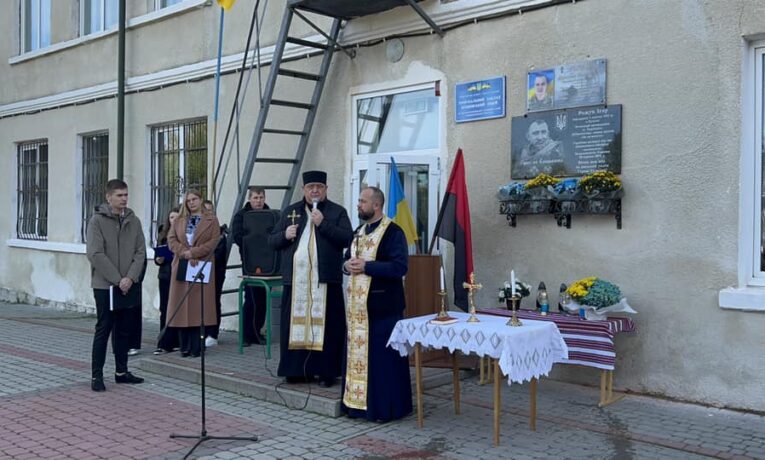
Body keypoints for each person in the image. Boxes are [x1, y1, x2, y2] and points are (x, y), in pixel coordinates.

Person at [268, 170, 353, 387]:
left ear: (325, 189)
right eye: (310, 187)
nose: (314, 190)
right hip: (295, 283)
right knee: (293, 326)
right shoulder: (290, 211)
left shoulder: (337, 211)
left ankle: (327, 372)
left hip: (325, 281)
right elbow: (272, 241)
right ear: (303, 189)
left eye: (319, 187)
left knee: (329, 328)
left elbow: (347, 239)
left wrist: (323, 223)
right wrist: (284, 235)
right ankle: (295, 370)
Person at [341, 186, 412, 422]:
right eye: (359, 201)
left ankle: (384, 409)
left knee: (383, 364)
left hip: (383, 309)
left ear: (377, 205)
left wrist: (367, 266)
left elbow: (399, 267)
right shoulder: (359, 231)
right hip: (357, 310)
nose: (359, 205)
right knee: (359, 360)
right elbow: (347, 258)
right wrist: (346, 266)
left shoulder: (393, 232)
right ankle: (356, 406)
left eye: (362, 201)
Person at [86, 179, 146, 391]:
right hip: (105, 285)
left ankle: (122, 372)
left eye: (126, 195)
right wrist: (117, 279)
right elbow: (95, 253)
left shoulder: (133, 220)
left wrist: (129, 278)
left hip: (128, 284)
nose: (124, 199)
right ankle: (96, 376)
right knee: (104, 328)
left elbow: (140, 252)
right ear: (108, 197)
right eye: (119, 195)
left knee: (124, 330)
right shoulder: (96, 221)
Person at [166, 190, 221, 357]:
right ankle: (184, 346)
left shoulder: (211, 220)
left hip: (201, 266)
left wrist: (195, 252)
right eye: (188, 200)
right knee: (182, 306)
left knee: (198, 307)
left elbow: (214, 241)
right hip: (182, 264)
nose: (191, 203)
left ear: (200, 199)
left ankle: (197, 346)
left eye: (194, 199)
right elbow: (171, 239)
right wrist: (185, 253)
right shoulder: (180, 220)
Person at [231, 186, 270, 346]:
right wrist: (254, 241)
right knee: (251, 298)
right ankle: (247, 334)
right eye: (255, 198)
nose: (259, 201)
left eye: (261, 197)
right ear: (249, 199)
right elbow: (238, 236)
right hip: (249, 260)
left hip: (267, 261)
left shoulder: (270, 214)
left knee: (263, 299)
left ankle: (257, 332)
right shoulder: (242, 215)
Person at [153, 206, 181, 355]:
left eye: (177, 217)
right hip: (165, 276)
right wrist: (158, 259)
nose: (174, 220)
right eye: (171, 217)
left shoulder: (183, 234)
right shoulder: (163, 233)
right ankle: (163, 343)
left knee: (178, 309)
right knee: (165, 309)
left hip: (179, 276)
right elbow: (157, 256)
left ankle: (176, 341)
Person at [202, 199, 228, 348]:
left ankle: (212, 333)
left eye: (210, 211)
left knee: (213, 302)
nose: (207, 214)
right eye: (204, 211)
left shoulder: (219, 233)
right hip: (199, 272)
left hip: (215, 273)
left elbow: (218, 254)